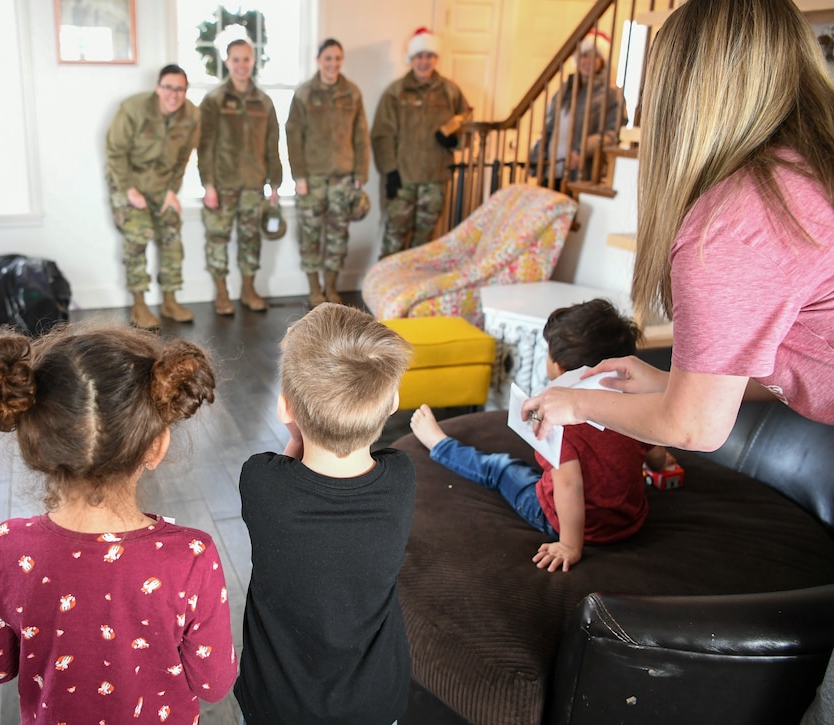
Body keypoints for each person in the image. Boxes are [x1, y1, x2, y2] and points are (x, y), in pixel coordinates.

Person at [512, 1, 834, 717]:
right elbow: (801, 353)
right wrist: (670, 381)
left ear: (684, 89)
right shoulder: (811, 172)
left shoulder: (740, 214)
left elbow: (694, 428)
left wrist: (574, 400)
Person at [0, 323, 236, 724]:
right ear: (157, 445)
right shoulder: (191, 556)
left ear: (34, 442)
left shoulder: (6, 547)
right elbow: (214, 684)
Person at [234, 303, 416, 724]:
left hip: (278, 701)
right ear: (392, 403)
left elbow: (288, 468)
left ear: (284, 410)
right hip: (373, 699)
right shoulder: (401, 478)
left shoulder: (260, 482)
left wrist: (299, 433)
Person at [411, 299, 673, 571]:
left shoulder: (561, 419)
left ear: (559, 367)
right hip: (628, 521)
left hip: (574, 525)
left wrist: (570, 545)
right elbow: (655, 453)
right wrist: (659, 463)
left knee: (500, 468)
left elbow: (570, 486)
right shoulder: (638, 405)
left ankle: (439, 444)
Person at [105, 65, 200, 330]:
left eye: (180, 89)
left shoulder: (191, 115)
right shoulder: (133, 109)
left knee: (171, 230)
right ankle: (139, 305)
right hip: (127, 179)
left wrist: (172, 190)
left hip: (161, 183)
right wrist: (129, 189)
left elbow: (183, 158)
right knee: (138, 233)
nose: (174, 94)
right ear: (158, 88)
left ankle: (170, 300)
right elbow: (114, 151)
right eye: (169, 87)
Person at [198, 38, 283, 316]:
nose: (241, 64)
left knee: (250, 240)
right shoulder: (214, 101)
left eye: (246, 59)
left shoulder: (265, 102)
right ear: (227, 62)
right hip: (222, 185)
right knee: (218, 240)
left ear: (253, 60)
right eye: (235, 59)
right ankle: (222, 294)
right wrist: (208, 184)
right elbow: (205, 145)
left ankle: (249, 290)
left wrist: (275, 183)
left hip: (253, 186)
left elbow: (273, 145)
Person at [285, 38, 370, 307]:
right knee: (310, 235)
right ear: (318, 60)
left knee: (337, 236)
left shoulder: (352, 93)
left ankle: (331, 288)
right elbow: (293, 136)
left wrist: (361, 171)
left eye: (337, 58)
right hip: (311, 179)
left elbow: (361, 134)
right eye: (328, 58)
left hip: (343, 178)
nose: (333, 64)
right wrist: (298, 175)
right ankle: (314, 289)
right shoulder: (304, 94)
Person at [371, 27, 470, 258]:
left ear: (436, 58)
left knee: (424, 243)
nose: (424, 62)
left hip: (435, 180)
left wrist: (453, 141)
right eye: (420, 56)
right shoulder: (395, 93)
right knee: (394, 239)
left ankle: (415, 290)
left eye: (429, 56)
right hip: (402, 180)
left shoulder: (450, 91)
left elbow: (467, 124)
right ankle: (385, 290)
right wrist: (390, 171)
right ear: (411, 58)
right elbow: (381, 134)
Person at [529, 30, 626, 189]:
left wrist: (582, 150)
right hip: (552, 171)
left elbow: (612, 134)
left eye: (595, 56)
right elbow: (550, 127)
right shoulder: (565, 90)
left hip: (581, 174)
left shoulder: (611, 95)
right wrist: (536, 158)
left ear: (602, 61)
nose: (588, 61)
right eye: (585, 55)